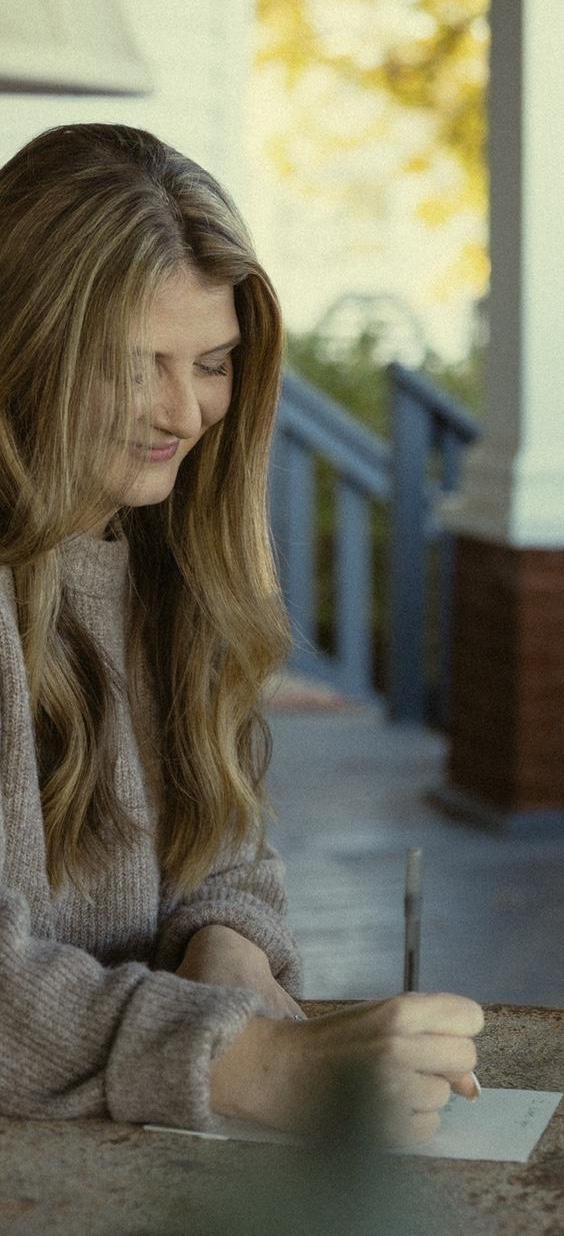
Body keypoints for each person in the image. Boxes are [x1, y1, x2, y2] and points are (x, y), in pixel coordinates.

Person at [0, 123, 480, 1145]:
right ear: (24, 347)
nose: (184, 413)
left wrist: (225, 940)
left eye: (212, 363)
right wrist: (257, 1061)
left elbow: (223, 849)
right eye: (135, 366)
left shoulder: (168, 566)